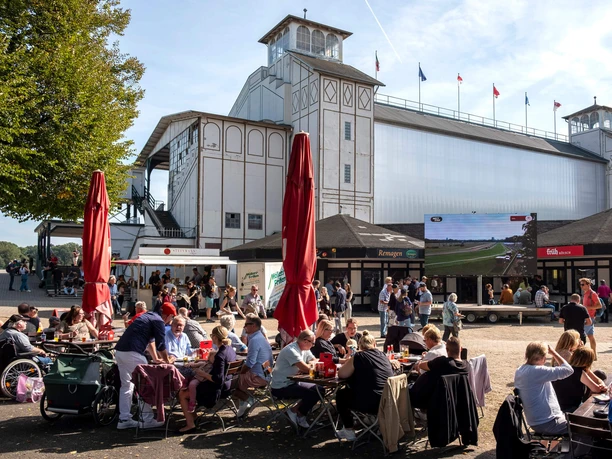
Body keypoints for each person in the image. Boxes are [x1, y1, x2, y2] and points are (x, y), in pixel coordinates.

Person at [114, 303, 175, 430]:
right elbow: (161, 345)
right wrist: (167, 361)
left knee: (127, 385)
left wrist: (155, 358)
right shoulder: (158, 321)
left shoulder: (148, 316)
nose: (171, 320)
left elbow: (151, 342)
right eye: (172, 318)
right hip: (133, 352)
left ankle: (124, 418)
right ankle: (147, 419)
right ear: (168, 316)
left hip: (120, 351)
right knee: (145, 385)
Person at [335, 331, 394, 440]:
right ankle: (373, 423)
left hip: (372, 403)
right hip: (388, 400)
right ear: (375, 344)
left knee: (341, 394)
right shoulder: (383, 355)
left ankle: (348, 429)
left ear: (360, 346)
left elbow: (342, 374)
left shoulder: (359, 356)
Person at [177, 325, 237, 432]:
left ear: (214, 337)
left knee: (182, 393)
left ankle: (190, 424)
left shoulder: (220, 355)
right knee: (190, 387)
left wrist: (202, 373)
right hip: (229, 386)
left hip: (215, 391)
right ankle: (193, 416)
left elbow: (218, 379)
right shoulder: (230, 350)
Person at [513, 342, 573, 435]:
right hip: (548, 423)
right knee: (585, 429)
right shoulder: (537, 371)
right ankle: (578, 450)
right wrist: (553, 353)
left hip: (537, 421)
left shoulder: (520, 370)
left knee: (579, 422)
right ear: (544, 358)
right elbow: (568, 370)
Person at [270, 330, 320, 429]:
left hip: (293, 382)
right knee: (314, 393)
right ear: (306, 341)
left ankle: (298, 413)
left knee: (320, 389)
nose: (313, 345)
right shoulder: (291, 350)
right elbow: (306, 368)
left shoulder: (304, 348)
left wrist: (307, 366)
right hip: (281, 386)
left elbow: (314, 361)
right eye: (313, 343)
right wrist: (306, 367)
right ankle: (296, 413)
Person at [410, 337, 468, 410]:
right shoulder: (466, 366)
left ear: (447, 350)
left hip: (436, 400)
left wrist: (424, 358)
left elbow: (421, 366)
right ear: (461, 349)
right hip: (457, 402)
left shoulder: (442, 362)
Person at [234, 315, 273, 417]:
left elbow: (250, 362)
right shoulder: (260, 337)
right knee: (235, 379)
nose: (244, 327)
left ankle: (247, 400)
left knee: (229, 383)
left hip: (259, 377)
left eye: (246, 324)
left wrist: (239, 372)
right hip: (266, 375)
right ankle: (244, 405)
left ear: (254, 326)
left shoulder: (255, 340)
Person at [552, 346, 607, 412]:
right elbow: (596, 389)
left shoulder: (568, 367)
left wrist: (602, 384)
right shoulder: (579, 372)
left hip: (558, 406)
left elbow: (597, 380)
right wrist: (601, 387)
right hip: (568, 408)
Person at [579, 278, 600, 359]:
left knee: (581, 335)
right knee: (590, 336)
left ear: (588, 284)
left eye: (583, 284)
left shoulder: (592, 293)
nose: (581, 286)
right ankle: (594, 355)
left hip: (589, 317)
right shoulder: (586, 293)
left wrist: (588, 307)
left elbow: (599, 305)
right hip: (588, 316)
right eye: (580, 284)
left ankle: (582, 355)